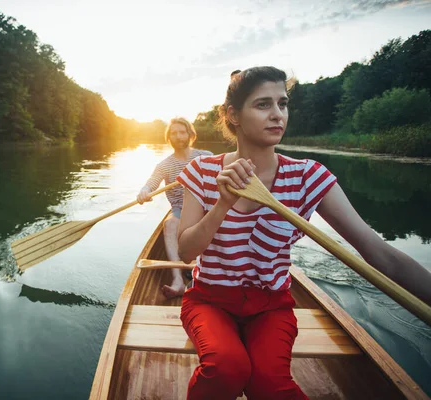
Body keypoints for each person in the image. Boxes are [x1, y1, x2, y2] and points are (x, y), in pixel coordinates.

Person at [176, 66, 431, 400]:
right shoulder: (202, 171)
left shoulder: (308, 176)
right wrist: (222, 204)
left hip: (271, 307)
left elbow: (377, 251)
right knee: (227, 367)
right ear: (232, 115)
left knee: (269, 384)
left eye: (283, 104)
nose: (278, 115)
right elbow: (185, 252)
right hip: (209, 300)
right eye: (263, 105)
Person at [137, 117, 212, 299]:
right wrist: (145, 190)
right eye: (173, 133)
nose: (178, 136)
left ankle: (209, 274)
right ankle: (178, 280)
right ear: (168, 137)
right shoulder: (165, 165)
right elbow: (152, 182)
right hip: (180, 209)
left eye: (181, 132)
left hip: (206, 208)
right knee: (170, 225)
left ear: (190, 134)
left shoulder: (205, 157)